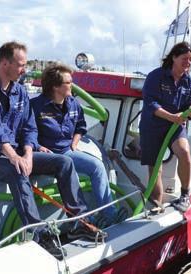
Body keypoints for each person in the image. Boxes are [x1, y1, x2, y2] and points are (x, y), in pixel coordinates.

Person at [0, 42, 104, 260]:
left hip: (16, 150)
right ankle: (39, 234)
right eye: (21, 65)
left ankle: (79, 222)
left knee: (64, 163)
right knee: (16, 169)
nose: (24, 69)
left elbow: (29, 127)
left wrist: (27, 153)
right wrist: (15, 157)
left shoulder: (19, 91)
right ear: (4, 63)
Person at [30, 63, 126, 227]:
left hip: (67, 151)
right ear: (55, 86)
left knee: (97, 166)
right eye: (68, 82)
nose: (72, 85)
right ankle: (85, 221)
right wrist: (38, 147)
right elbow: (25, 132)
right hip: (47, 156)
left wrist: (75, 142)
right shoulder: (35, 106)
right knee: (68, 170)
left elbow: (81, 126)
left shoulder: (73, 104)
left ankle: (109, 215)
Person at [139, 41, 191, 213]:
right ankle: (156, 204)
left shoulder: (189, 82)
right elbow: (150, 103)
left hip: (176, 125)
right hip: (153, 125)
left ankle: (185, 194)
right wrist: (172, 117)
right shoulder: (155, 76)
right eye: (184, 58)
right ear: (174, 57)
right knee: (155, 166)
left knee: (184, 151)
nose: (187, 63)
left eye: (190, 60)